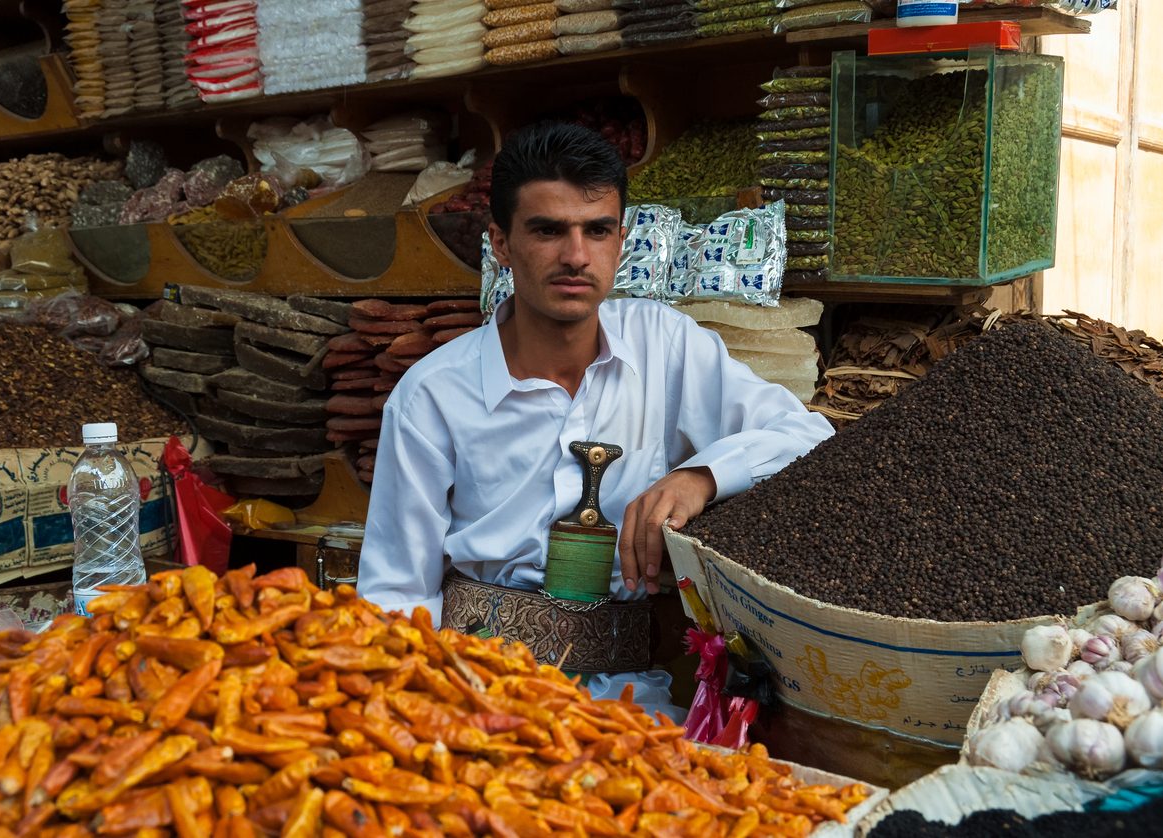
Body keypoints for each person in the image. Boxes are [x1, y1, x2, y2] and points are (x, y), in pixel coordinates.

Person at [357, 121, 834, 718]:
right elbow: (395, 595)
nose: (576, 257)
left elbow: (808, 437)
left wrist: (701, 477)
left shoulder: (664, 346)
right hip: (475, 695)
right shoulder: (432, 395)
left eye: (597, 230)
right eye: (548, 231)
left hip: (634, 701)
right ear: (500, 244)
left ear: (622, 240)